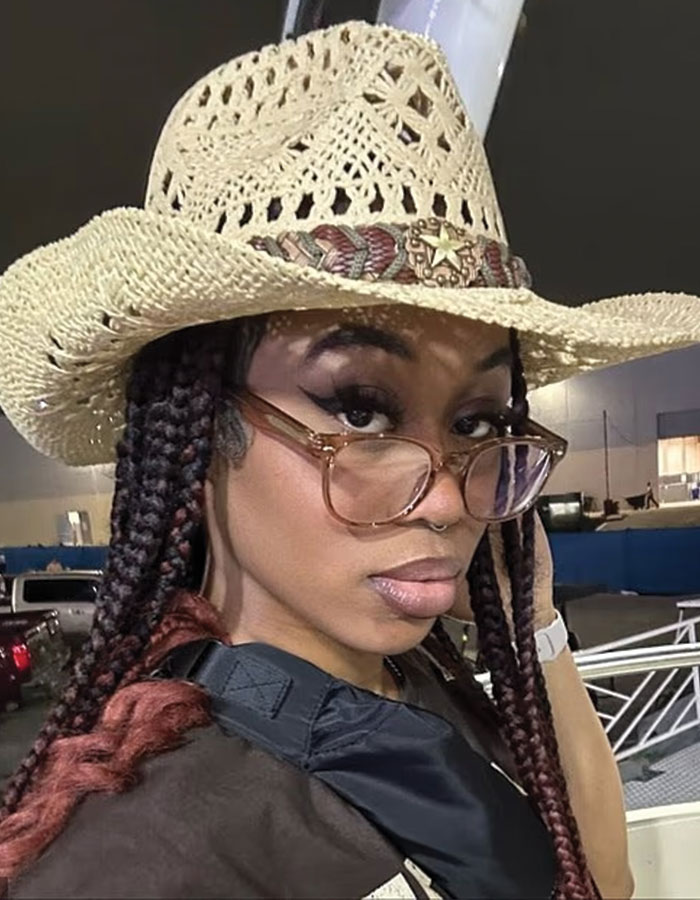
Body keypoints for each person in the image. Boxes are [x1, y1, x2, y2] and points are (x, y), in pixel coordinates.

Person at [0, 21, 697, 900]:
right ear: (198, 437)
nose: (448, 503)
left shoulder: (409, 689)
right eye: (361, 409)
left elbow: (599, 880)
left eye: (479, 424)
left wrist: (539, 621)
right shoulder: (147, 860)